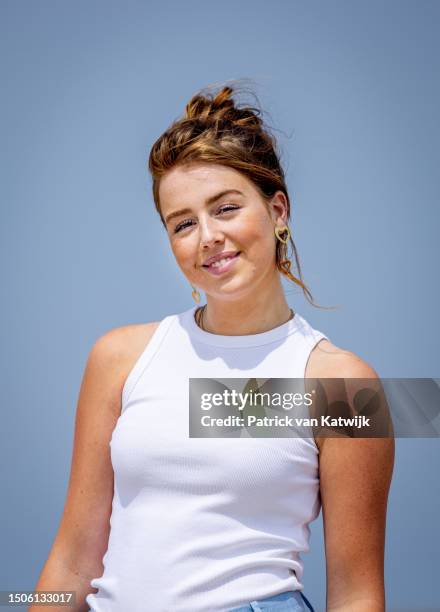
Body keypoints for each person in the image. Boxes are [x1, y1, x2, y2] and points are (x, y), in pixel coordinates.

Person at [31, 83, 394, 612]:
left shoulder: (345, 386)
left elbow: (357, 594)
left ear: (278, 211)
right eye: (183, 223)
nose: (207, 236)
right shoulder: (119, 358)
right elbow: (71, 562)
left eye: (225, 208)